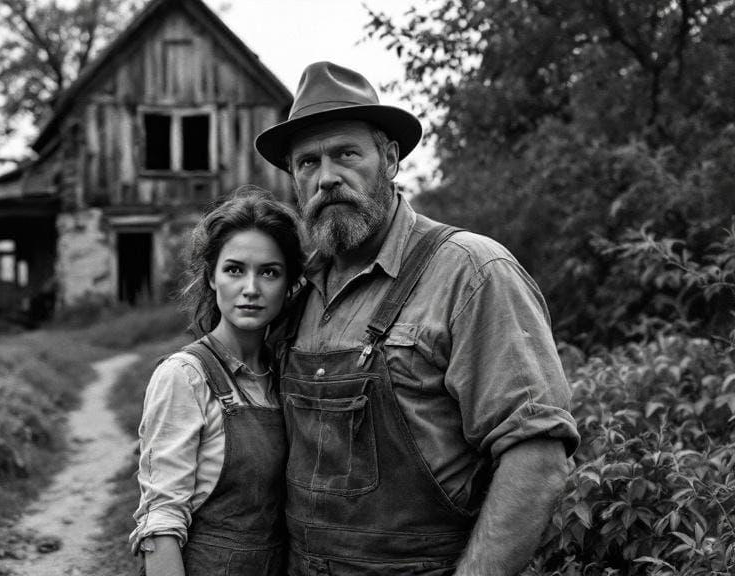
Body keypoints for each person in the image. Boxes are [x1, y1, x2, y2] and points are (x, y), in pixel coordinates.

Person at [253, 61, 581, 575]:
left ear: (389, 159)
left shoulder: (471, 272)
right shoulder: (292, 292)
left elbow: (537, 457)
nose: (327, 178)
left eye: (345, 154)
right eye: (307, 164)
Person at [130, 187, 304, 576]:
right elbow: (161, 524)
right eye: (235, 269)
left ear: (290, 284)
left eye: (270, 272)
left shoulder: (286, 377)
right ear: (211, 277)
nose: (251, 289)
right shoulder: (185, 376)